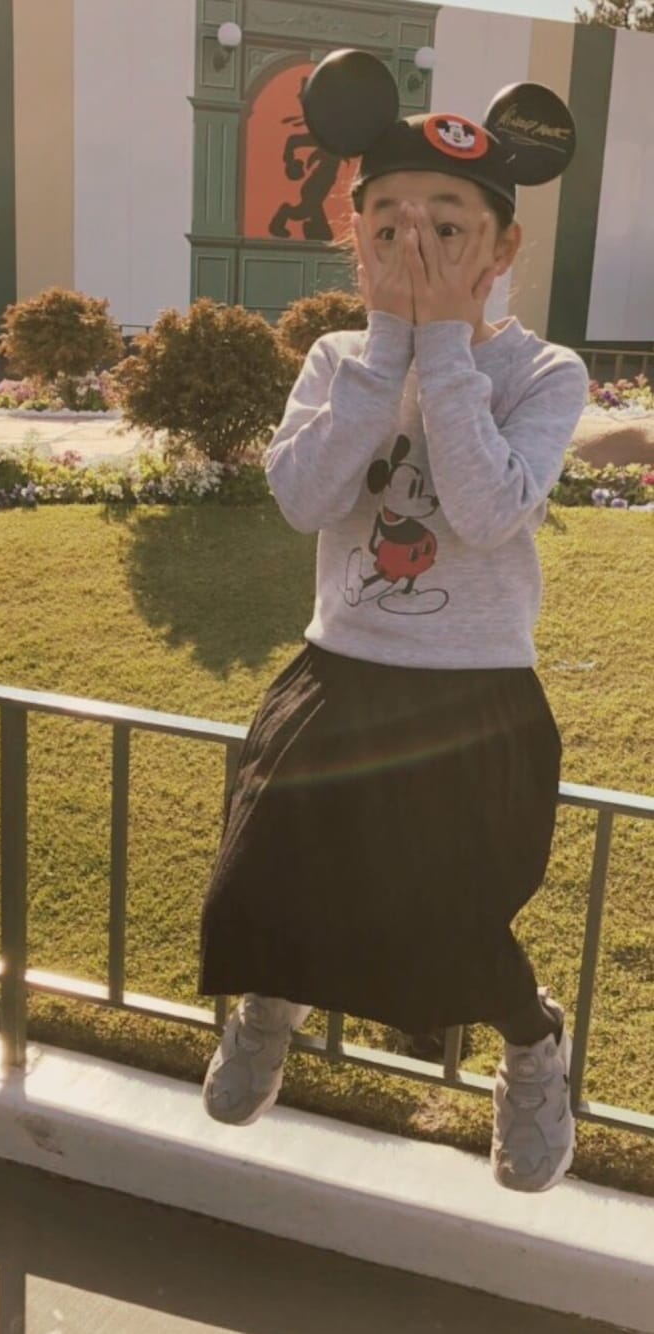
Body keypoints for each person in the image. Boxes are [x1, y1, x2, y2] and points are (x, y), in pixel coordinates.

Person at [198, 50, 589, 1193]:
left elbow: (485, 511)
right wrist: (385, 345)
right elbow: (304, 499)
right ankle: (269, 1000)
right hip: (341, 666)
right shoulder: (335, 357)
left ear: (502, 245)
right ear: (353, 235)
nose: (416, 244)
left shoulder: (544, 371)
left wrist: (443, 345)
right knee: (262, 879)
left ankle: (532, 1044)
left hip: (474, 691)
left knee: (449, 920)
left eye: (448, 225)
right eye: (388, 222)